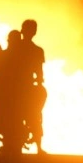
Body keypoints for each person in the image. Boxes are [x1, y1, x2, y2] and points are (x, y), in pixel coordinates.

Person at [20, 19, 47, 154]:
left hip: (24, 86)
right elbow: (39, 70)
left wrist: (39, 80)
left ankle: (38, 146)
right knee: (34, 115)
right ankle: (38, 147)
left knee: (34, 115)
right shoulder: (36, 50)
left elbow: (39, 69)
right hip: (23, 86)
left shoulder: (18, 48)